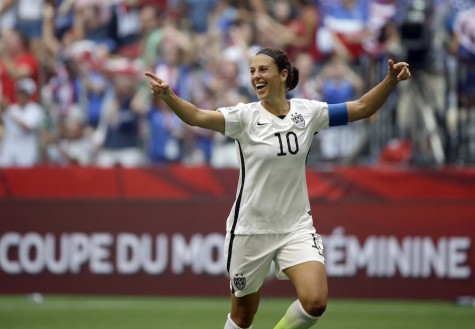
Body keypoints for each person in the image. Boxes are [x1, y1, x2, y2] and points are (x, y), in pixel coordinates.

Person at [145, 47, 411, 329]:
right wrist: (169, 97)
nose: (256, 76)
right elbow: (197, 116)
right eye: (252, 71)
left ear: (283, 75)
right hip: (249, 229)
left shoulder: (309, 112)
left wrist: (390, 81)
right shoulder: (243, 117)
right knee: (243, 317)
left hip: (295, 226)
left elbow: (362, 108)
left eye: (263, 70)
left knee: (315, 301)